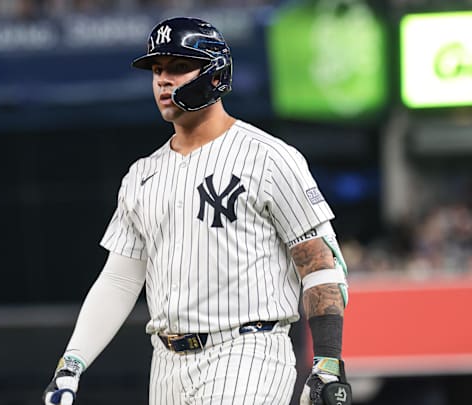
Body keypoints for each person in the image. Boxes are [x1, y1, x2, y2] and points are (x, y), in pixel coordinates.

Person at [43, 17, 352, 405]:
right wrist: (71, 364)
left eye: (177, 67)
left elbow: (320, 264)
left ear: (214, 73)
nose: (162, 80)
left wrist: (326, 362)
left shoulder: (269, 158)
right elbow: (120, 281)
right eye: (157, 70)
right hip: (166, 363)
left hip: (247, 351)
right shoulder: (142, 175)